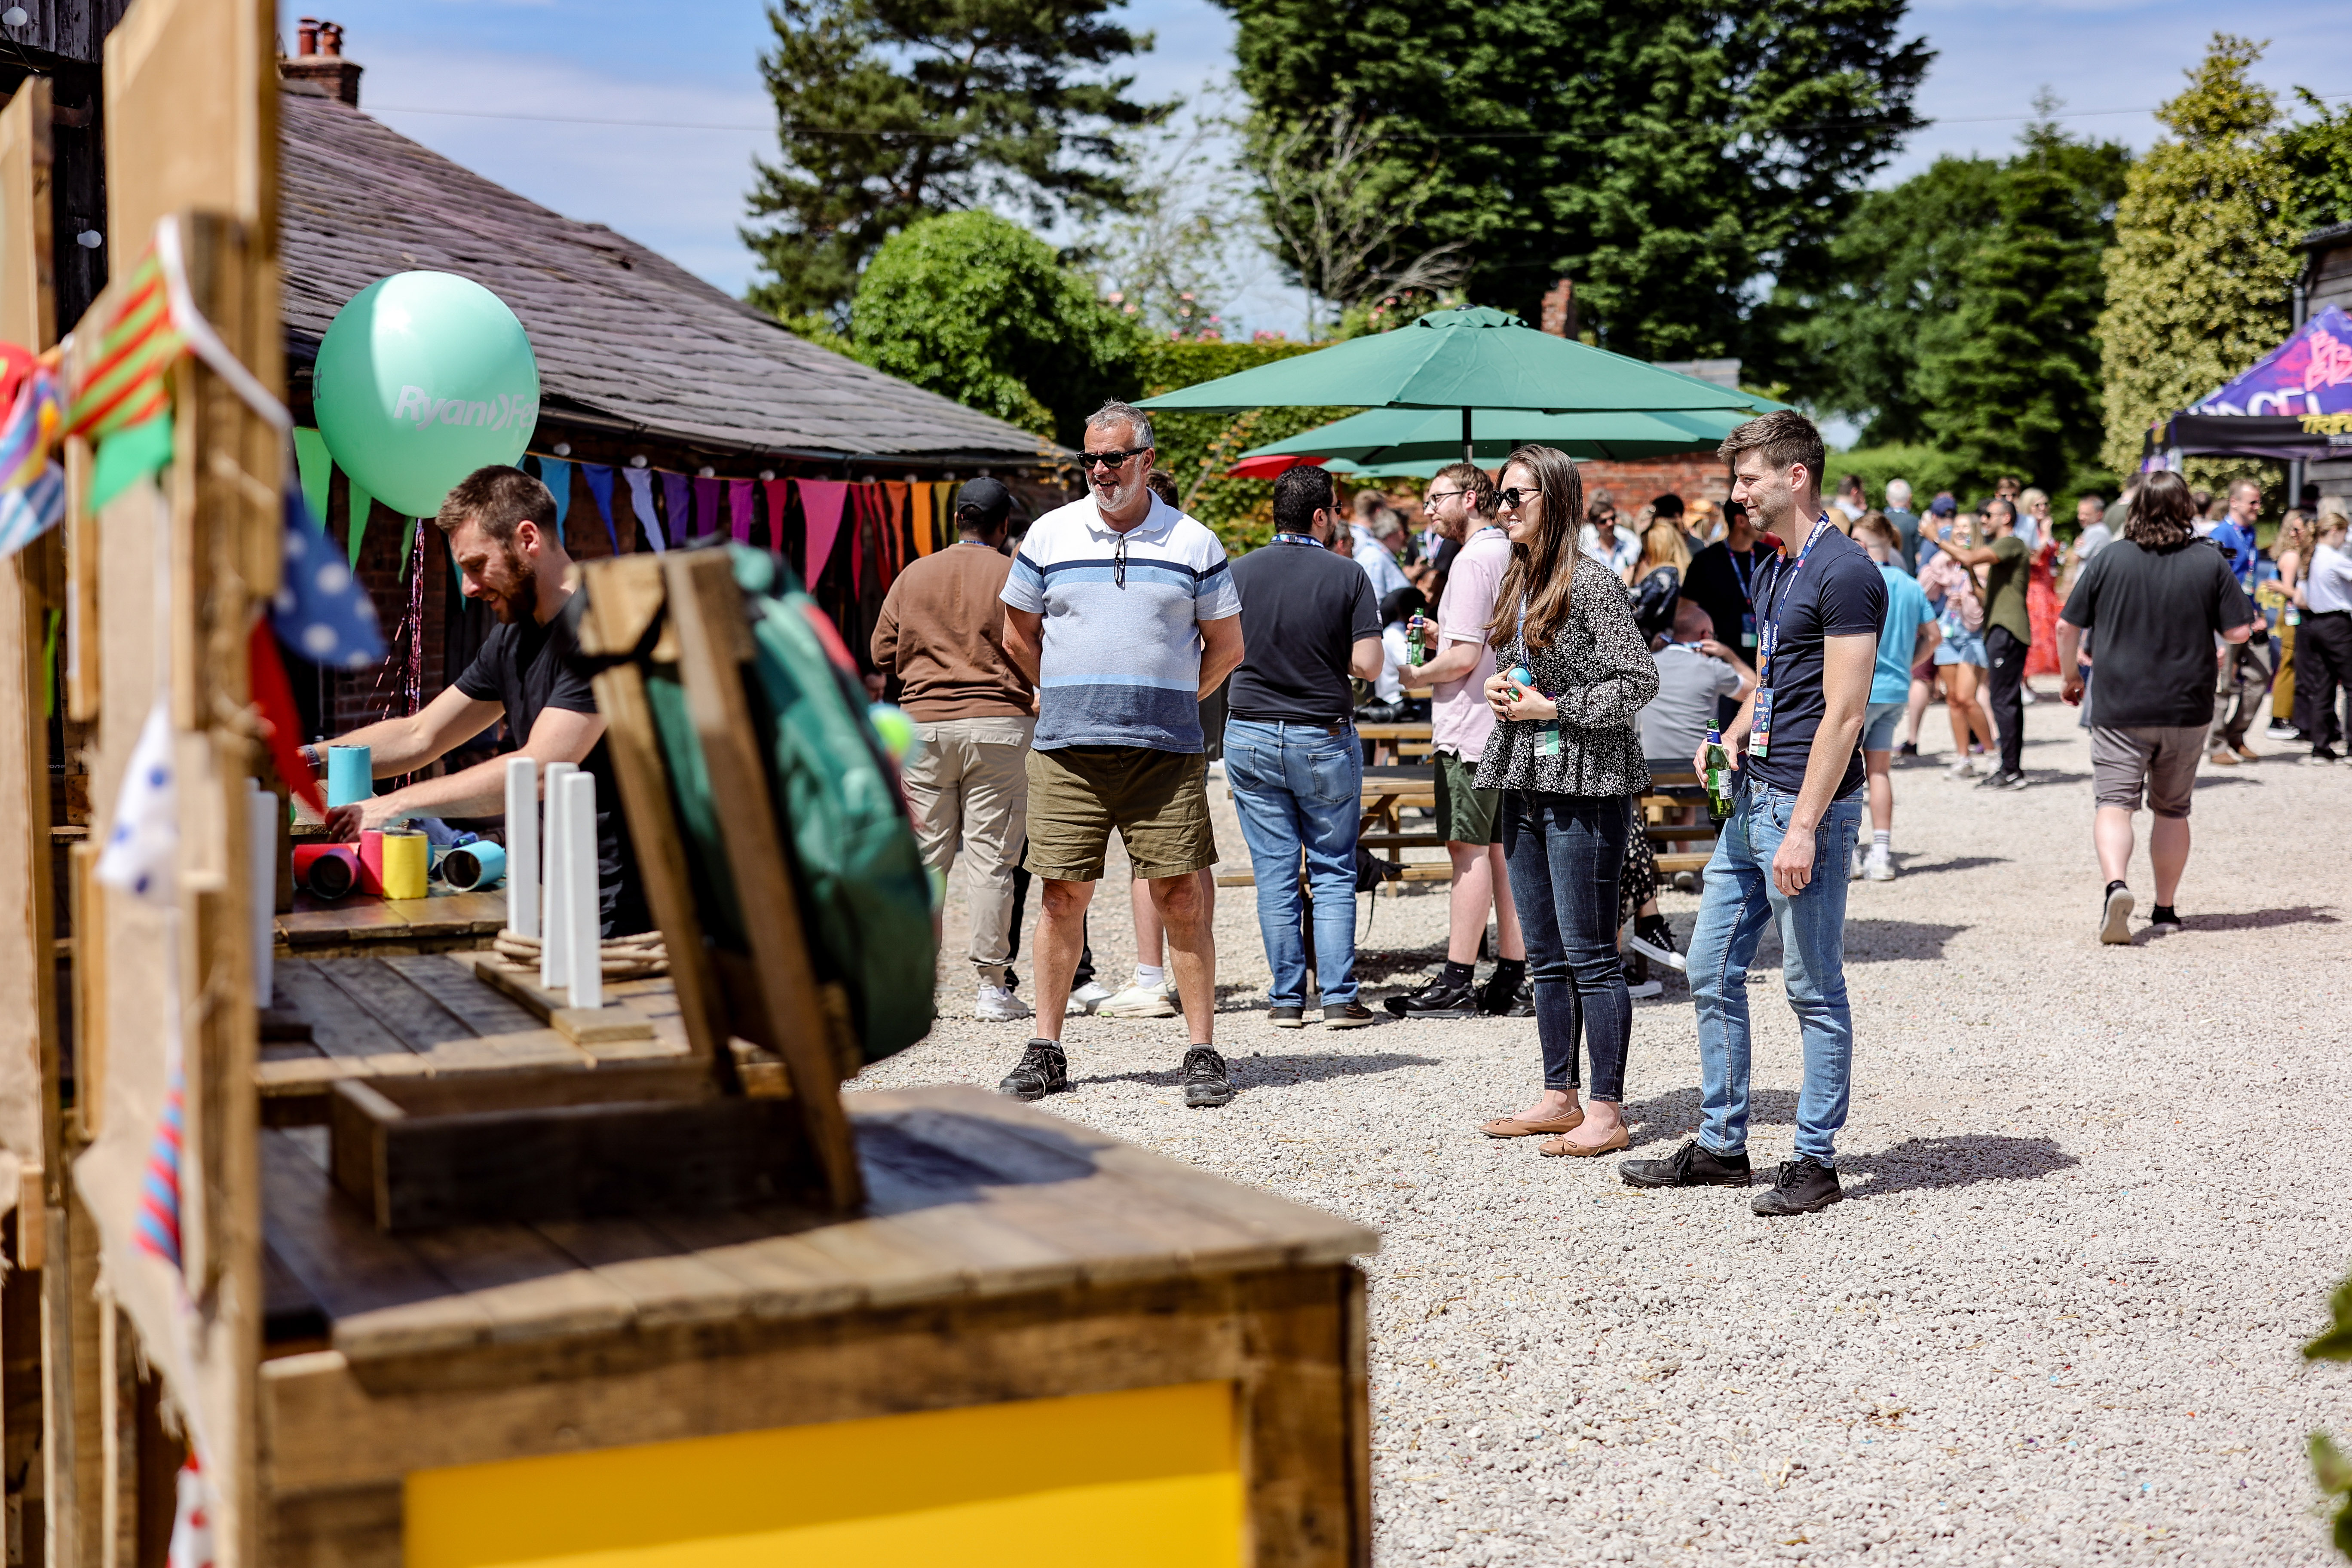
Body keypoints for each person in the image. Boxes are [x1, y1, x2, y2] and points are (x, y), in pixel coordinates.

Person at [1620, 409, 1881, 1216]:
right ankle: (1723, 1144)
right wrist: (1727, 734)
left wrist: (1802, 824)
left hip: (1806, 805)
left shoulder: (1846, 571)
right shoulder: (1775, 567)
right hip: (1750, 796)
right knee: (1708, 967)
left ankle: (1814, 1158)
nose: (1736, 492)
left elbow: (1844, 713)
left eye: (1747, 477)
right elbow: (1770, 682)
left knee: (1810, 984)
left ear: (1794, 475)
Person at [995, 401, 1245, 1108]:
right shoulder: (1048, 534)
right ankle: (1045, 1047)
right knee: (1059, 895)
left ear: (1146, 460)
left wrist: (1169, 700)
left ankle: (1201, 1048)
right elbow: (1016, 634)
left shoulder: (1193, 541)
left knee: (1180, 897)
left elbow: (1228, 648)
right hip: (1067, 751)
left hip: (1162, 754)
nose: (1100, 471)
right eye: (1090, 459)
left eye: (1114, 457)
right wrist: (1061, 693)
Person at [306, 465, 648, 936]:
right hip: (561, 897)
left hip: (634, 909)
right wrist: (303, 760)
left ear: (528, 538)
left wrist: (392, 806)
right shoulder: (513, 639)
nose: (469, 587)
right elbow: (420, 734)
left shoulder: (600, 626)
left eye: (475, 565)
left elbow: (544, 766)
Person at [1472, 444, 1659, 1156]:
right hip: (1526, 777)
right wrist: (1501, 690)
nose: (1504, 507)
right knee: (1542, 949)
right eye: (1499, 495)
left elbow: (1638, 681)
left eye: (1517, 495)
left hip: (1585, 780)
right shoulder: (1519, 582)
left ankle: (1606, 1111)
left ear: (1554, 499)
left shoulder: (1592, 584)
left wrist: (1555, 706)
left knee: (1589, 952)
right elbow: (1521, 676)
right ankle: (1560, 1095)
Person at [2057, 471, 2257, 941]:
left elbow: (2068, 626)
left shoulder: (2110, 558)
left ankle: (2116, 886)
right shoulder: (2209, 563)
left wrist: (2070, 677)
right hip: (2187, 704)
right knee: (2172, 809)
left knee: (2114, 804)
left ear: (2136, 509)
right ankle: (2165, 908)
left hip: (2120, 701)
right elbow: (2238, 632)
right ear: (2187, 509)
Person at [871, 477, 1038, 1023]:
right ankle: (992, 987)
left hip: (924, 727)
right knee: (992, 858)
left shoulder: (914, 574)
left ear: (957, 520)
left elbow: (881, 649)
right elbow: (1041, 641)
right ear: (1003, 525)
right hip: (1000, 726)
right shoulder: (1014, 572)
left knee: (926, 860)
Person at [1224, 466, 1384, 1028]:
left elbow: (1214, 651)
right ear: (1321, 516)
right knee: (1333, 868)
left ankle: (1286, 999)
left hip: (1248, 731)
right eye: (1334, 509)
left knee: (1274, 872)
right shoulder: (1348, 575)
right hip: (1321, 733)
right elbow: (1367, 665)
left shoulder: (1235, 573)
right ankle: (1339, 998)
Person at [1393, 461, 1530, 1017]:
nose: (1428, 510)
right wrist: (1441, 634)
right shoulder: (1507, 551)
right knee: (1504, 854)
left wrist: (1413, 675)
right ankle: (1515, 977)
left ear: (1471, 497)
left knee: (1467, 850)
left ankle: (1456, 979)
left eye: (1435, 498)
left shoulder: (1472, 560)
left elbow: (1466, 658)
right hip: (1505, 723)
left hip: (1471, 726)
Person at [1851, 512, 1938, 881]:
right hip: (1896, 688)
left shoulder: (1858, 579)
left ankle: (1850, 852)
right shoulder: (1910, 584)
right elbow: (1934, 636)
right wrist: (1907, 662)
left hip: (1859, 688)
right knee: (1880, 772)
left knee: (1846, 773)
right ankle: (1882, 852)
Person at [1935, 497, 2033, 788]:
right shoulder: (2004, 551)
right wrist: (1969, 577)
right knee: (2008, 700)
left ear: (2006, 518)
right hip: (2002, 630)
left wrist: (1935, 538)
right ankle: (2011, 767)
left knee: (2002, 700)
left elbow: (1968, 557)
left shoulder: (2011, 543)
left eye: (1988, 515)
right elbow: (1983, 597)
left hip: (2007, 630)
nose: (1984, 520)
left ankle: (2010, 770)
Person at [1914, 515, 1996, 775]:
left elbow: (1979, 615)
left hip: (1973, 638)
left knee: (1967, 698)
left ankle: (1993, 752)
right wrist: (1936, 563)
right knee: (1953, 700)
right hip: (1948, 636)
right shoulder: (1945, 563)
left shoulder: (1983, 563)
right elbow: (1924, 591)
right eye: (1957, 527)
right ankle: (1964, 758)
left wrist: (1965, 596)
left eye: (1966, 527)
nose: (1961, 531)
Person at [1681, 495, 1768, 726]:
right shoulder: (1706, 561)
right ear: (1741, 521)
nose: (1765, 523)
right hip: (1720, 664)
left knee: (1760, 737)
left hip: (1763, 661)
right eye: (1756, 515)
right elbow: (1686, 612)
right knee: (1724, 735)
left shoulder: (1769, 557)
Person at [2298, 504, 2352, 763]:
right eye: (2344, 533)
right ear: (2334, 531)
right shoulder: (2333, 557)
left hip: (2315, 623)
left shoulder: (2311, 555)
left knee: (2323, 685)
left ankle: (2321, 746)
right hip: (2337, 623)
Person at [1625, 512, 1690, 643]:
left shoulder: (1662, 577)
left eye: (1645, 550)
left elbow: (1631, 611)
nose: (1643, 556)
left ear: (1655, 550)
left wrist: (1624, 584)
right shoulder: (1678, 573)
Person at [1350, 499, 1413, 603]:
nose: (1405, 537)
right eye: (1402, 532)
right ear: (1389, 535)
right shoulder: (1374, 559)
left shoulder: (1378, 556)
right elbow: (1374, 604)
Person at [2209, 479, 2260, 585]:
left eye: (2259, 502)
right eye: (2253, 503)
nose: (2258, 507)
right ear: (2234, 502)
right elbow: (2216, 578)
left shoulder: (2250, 532)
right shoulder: (2221, 534)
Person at [1883, 478, 1922, 574]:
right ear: (1910, 497)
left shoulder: (1878, 521)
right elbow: (1920, 556)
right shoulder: (1916, 522)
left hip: (1882, 578)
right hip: (1908, 577)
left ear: (1888, 497)